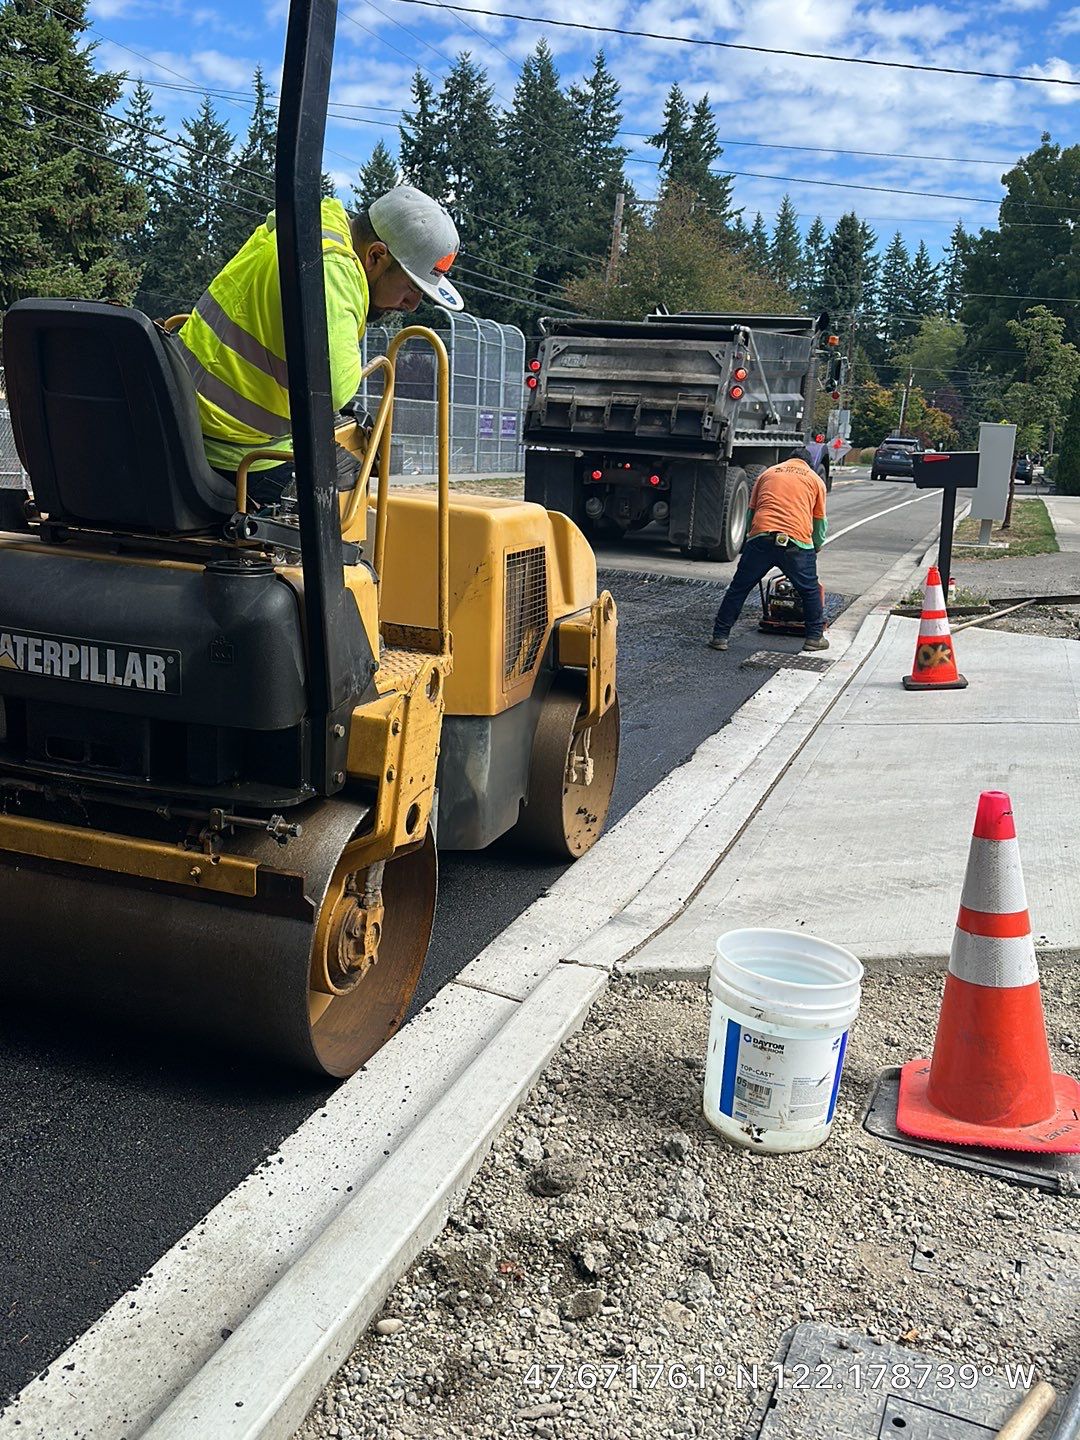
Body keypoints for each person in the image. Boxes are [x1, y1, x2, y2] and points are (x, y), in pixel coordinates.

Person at [177, 185, 464, 507]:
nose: (411, 305)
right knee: (348, 480)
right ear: (375, 256)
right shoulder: (331, 270)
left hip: (187, 416)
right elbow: (335, 389)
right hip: (231, 450)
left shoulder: (311, 227)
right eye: (411, 288)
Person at [708, 447, 829, 653]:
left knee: (739, 588)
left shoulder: (768, 473)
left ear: (788, 460)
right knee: (809, 591)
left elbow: (751, 511)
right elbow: (819, 521)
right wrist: (815, 546)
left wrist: (751, 538)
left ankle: (720, 636)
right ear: (808, 464)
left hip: (762, 536)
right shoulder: (815, 479)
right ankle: (814, 639)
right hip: (795, 541)